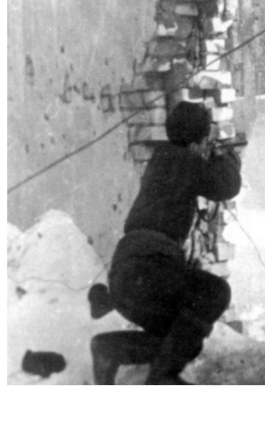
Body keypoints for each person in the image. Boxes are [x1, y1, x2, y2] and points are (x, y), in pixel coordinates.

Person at [100, 101, 242, 384]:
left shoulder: (163, 158)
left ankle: (110, 349)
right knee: (215, 294)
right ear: (197, 141)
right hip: (148, 270)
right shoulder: (184, 160)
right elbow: (227, 185)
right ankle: (162, 378)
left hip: (128, 275)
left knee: (180, 336)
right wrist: (228, 159)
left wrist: (207, 154)